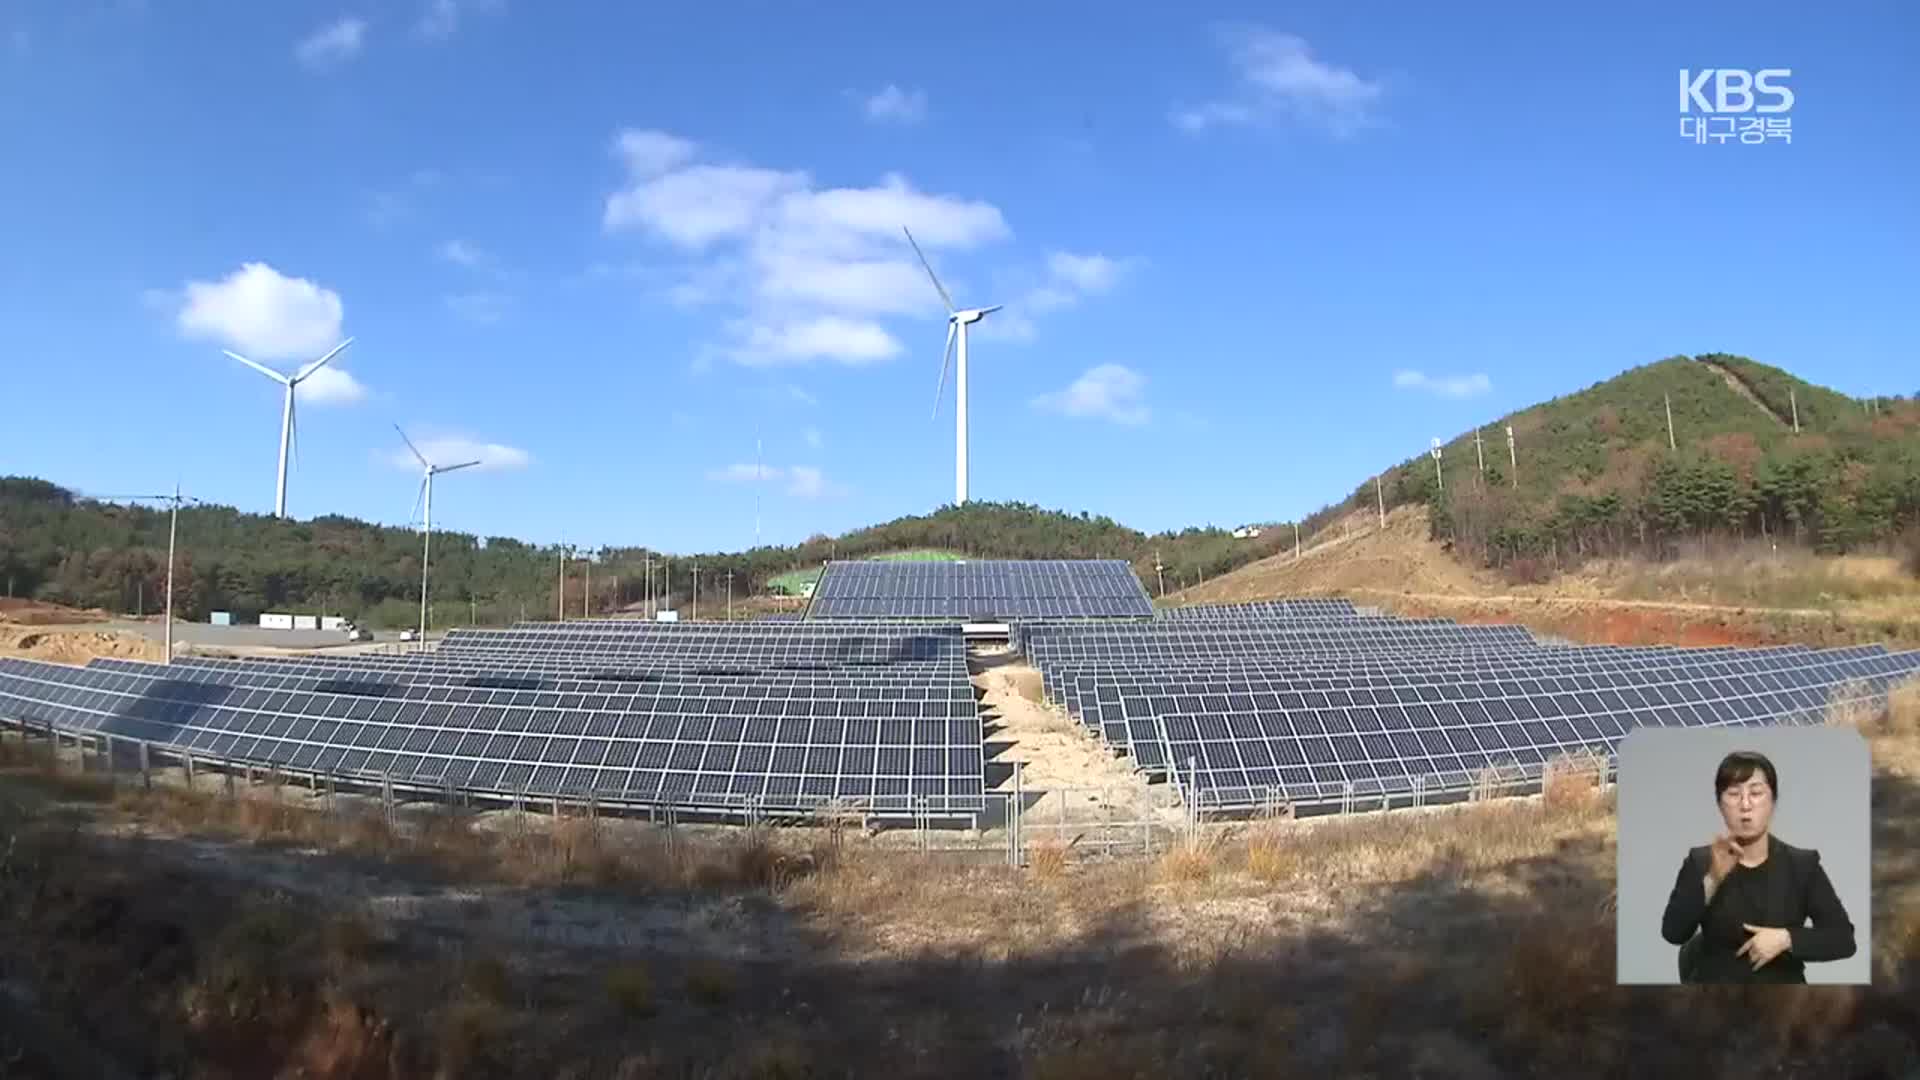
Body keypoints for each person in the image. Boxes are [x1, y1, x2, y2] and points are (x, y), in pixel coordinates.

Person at [1660, 750, 1856, 983]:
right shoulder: (1700, 861)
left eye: (1756, 793)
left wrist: (1786, 939)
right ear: (1720, 805)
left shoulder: (1802, 865)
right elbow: (1673, 933)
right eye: (1733, 794)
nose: (1745, 805)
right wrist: (1711, 880)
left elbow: (1843, 939)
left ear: (1773, 801)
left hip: (1785, 1005)